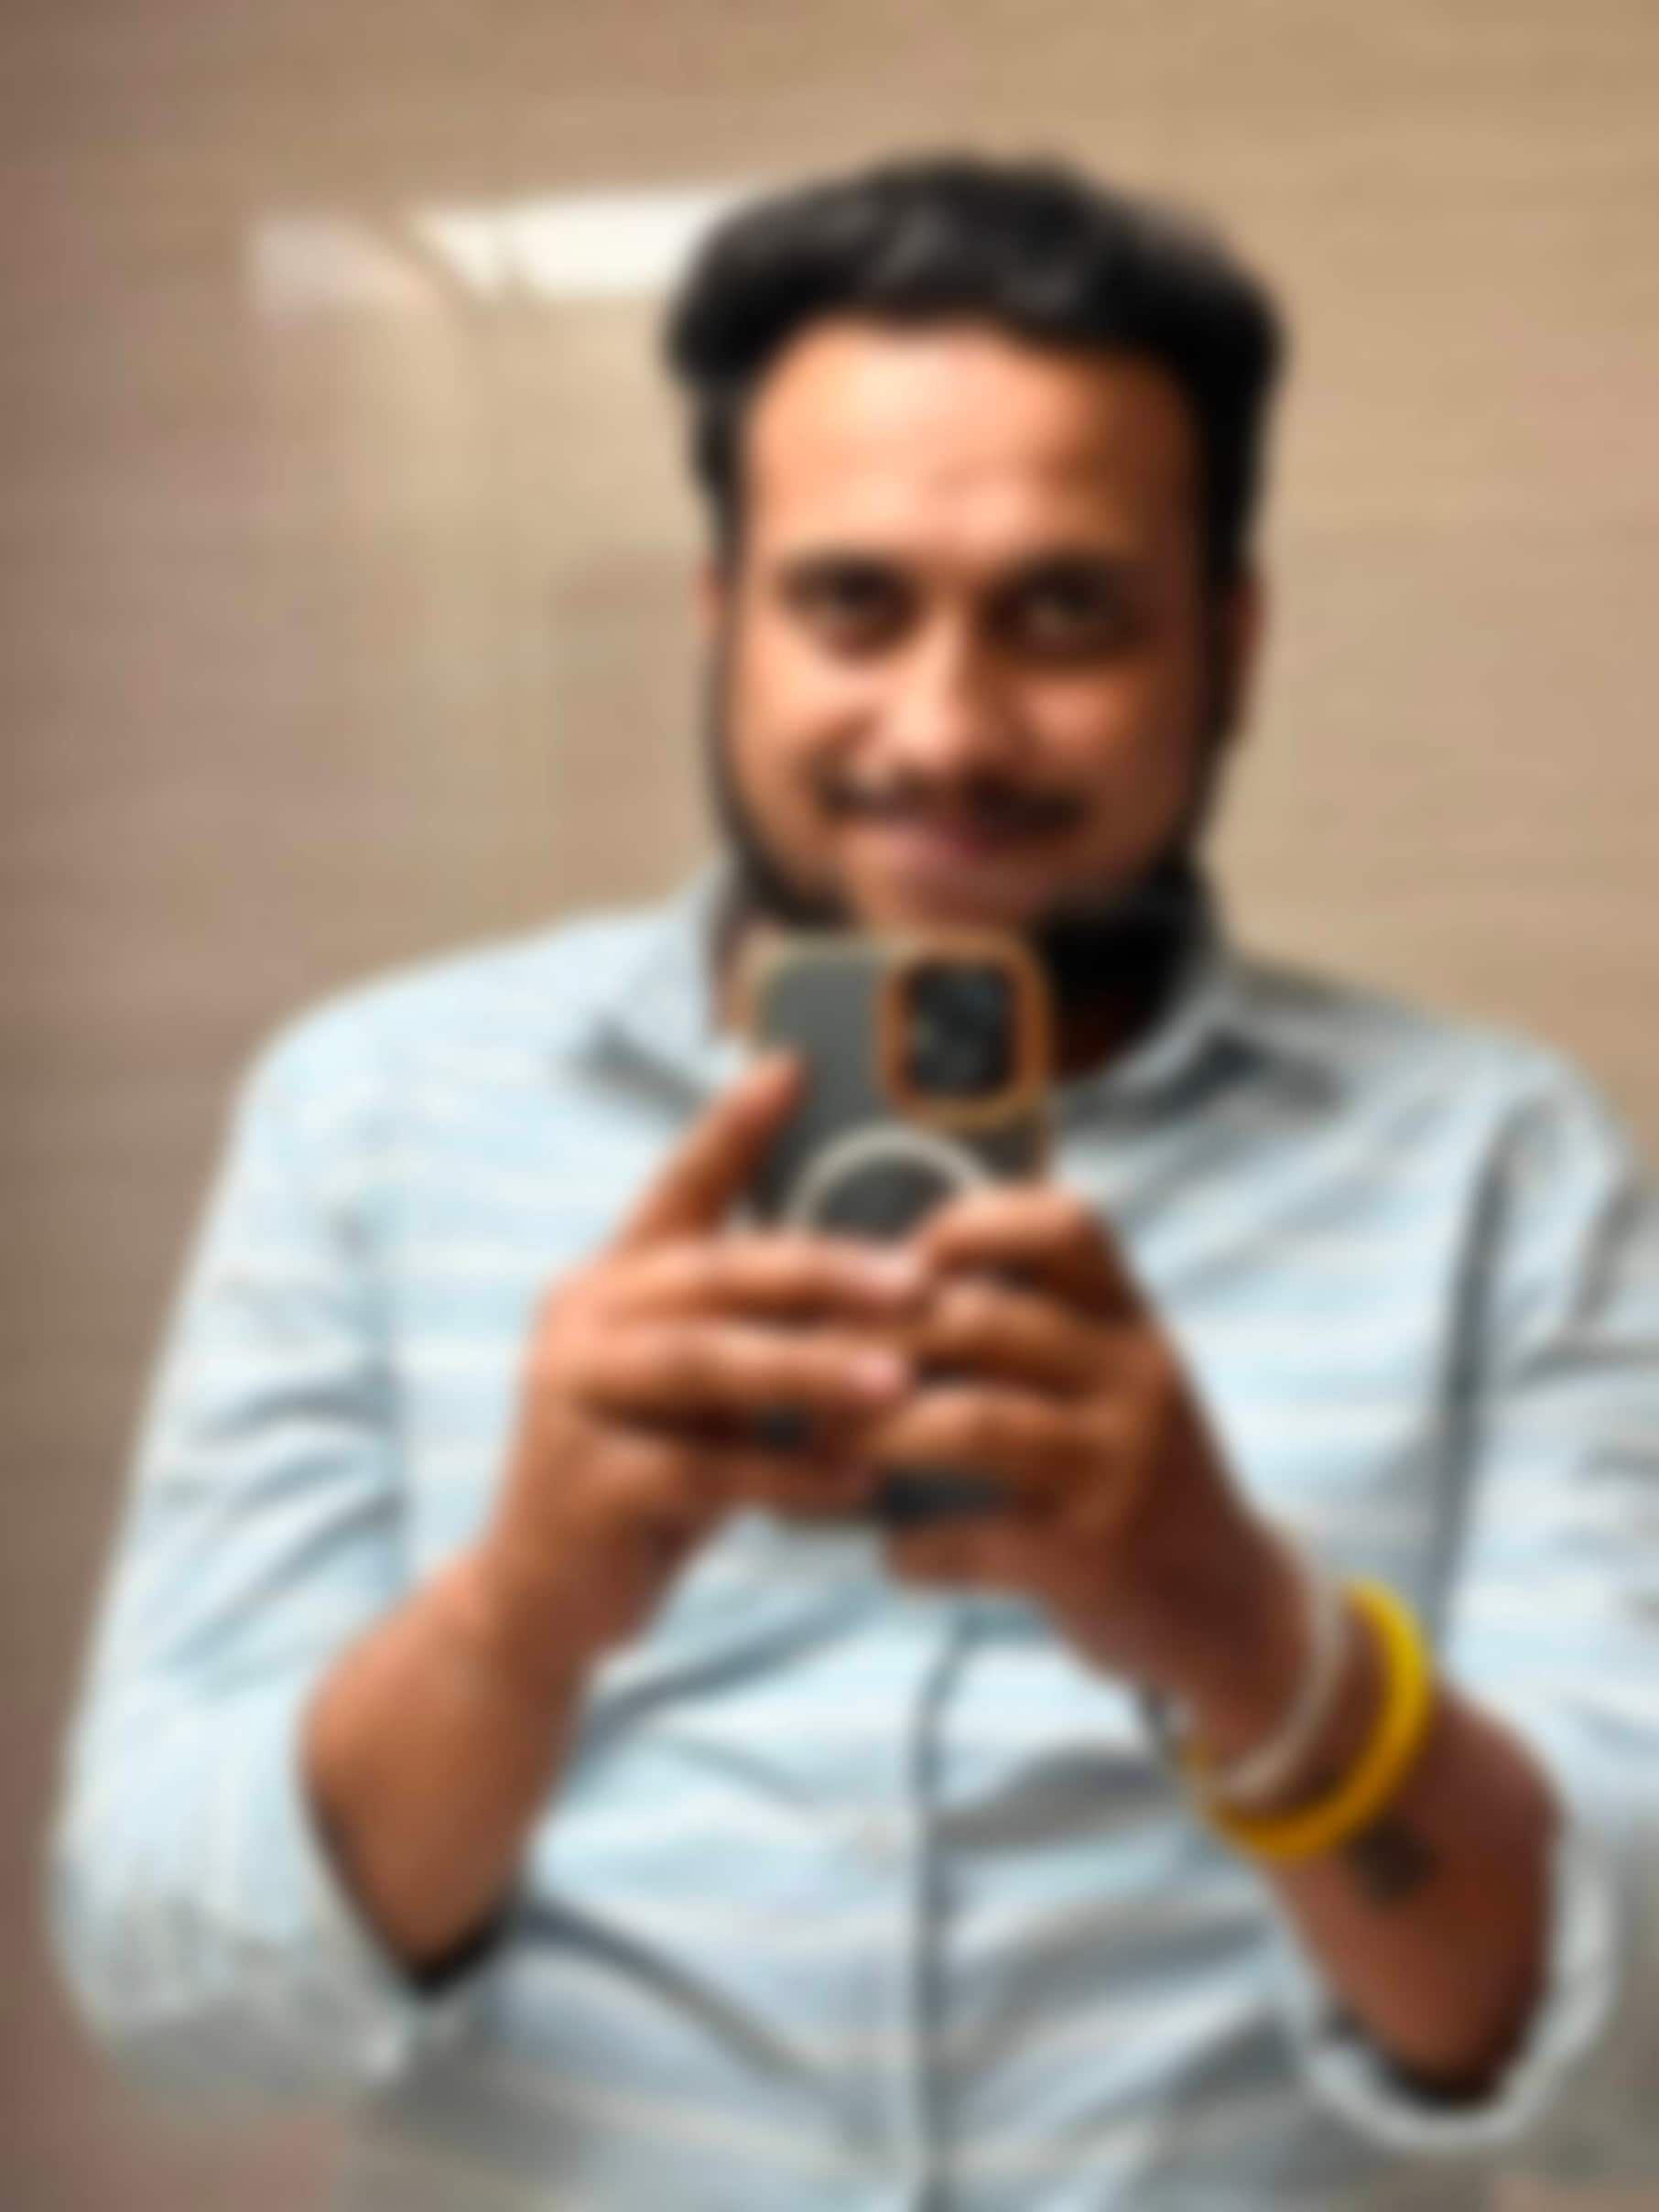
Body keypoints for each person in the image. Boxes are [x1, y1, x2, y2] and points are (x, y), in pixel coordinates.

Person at [44, 152, 1659, 2211]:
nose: (946, 729)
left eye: (1066, 612)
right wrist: (514, 1624)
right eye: (852, 604)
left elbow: (1626, 2059)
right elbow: (170, 1995)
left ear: (1230, 651)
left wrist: (1253, 1642)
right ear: (721, 621)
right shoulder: (372, 1118)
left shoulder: (1498, 1171)